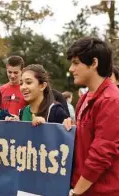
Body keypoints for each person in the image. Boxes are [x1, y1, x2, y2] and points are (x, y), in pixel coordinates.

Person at [63, 37, 119, 196]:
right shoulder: (85, 97)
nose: (71, 69)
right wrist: (71, 127)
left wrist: (76, 192)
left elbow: (101, 155)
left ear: (94, 63)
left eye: (75, 63)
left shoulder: (111, 100)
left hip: (100, 191)